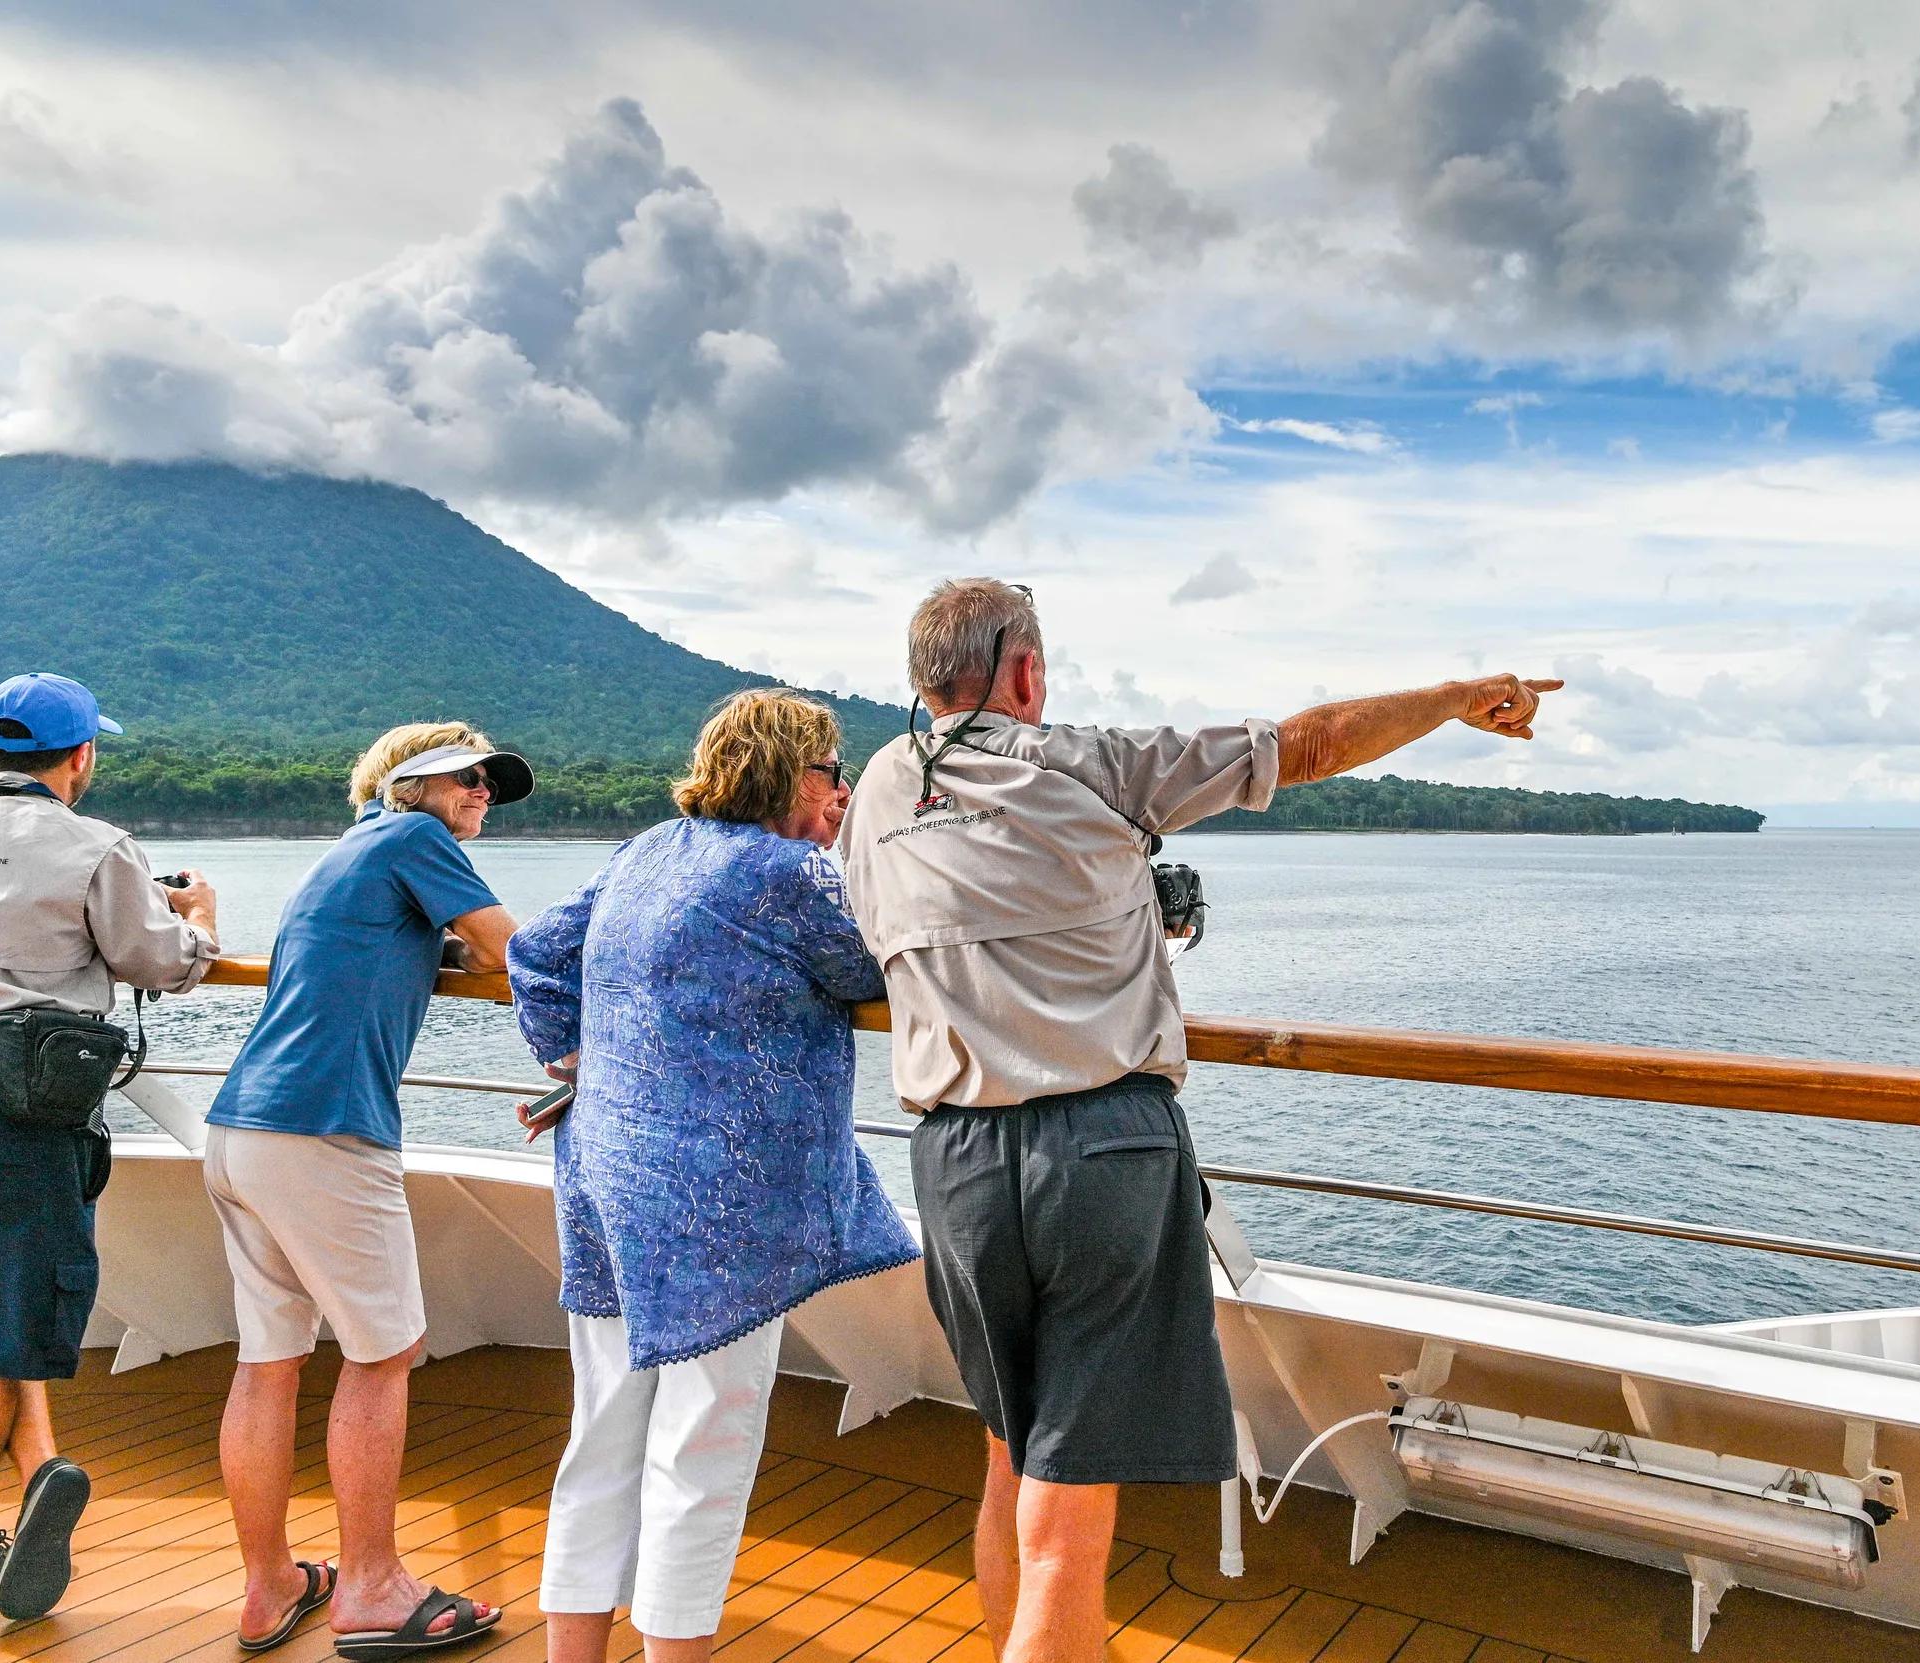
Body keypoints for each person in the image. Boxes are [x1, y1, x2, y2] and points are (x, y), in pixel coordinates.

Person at [835, 580, 1561, 1663]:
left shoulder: (881, 788)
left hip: (954, 1158)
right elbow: (1303, 745)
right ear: (1025, 672)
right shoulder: (1093, 763)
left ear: (923, 682)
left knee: (1009, 1451)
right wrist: (1459, 696)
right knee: (1071, 1512)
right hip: (1100, 1155)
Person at [507, 689, 917, 1663]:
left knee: (602, 1428)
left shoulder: (644, 851)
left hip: (604, 1172)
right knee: (706, 1438)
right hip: (716, 1203)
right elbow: (886, 966)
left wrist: (572, 1061)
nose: (844, 793)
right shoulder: (787, 874)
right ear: (789, 775)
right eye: (832, 775)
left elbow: (535, 953)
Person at [0, 672, 220, 1635]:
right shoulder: (96, 845)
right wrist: (201, 920)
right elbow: (164, 964)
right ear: (82, 756)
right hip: (8, 1123)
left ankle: (37, 1475)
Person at [201, 722, 528, 1658]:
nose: (482, 794)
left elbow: (418, 950)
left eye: (490, 785)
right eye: (468, 778)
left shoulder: (355, 850)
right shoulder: (416, 840)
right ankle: (374, 1587)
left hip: (243, 1128)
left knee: (268, 1359)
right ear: (414, 783)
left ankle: (269, 1586)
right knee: (385, 1351)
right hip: (326, 1130)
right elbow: (510, 948)